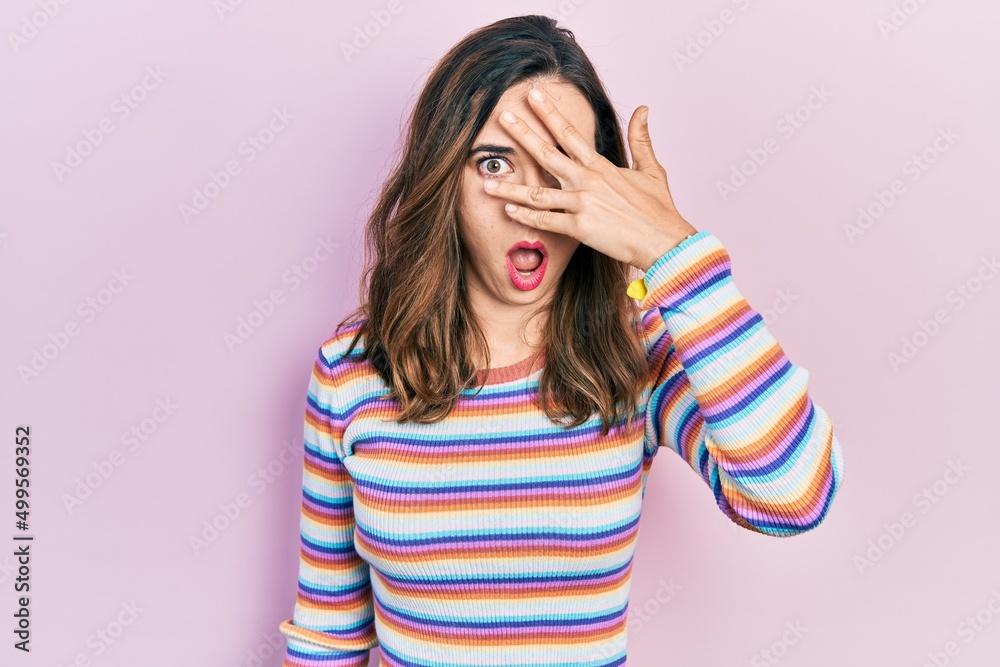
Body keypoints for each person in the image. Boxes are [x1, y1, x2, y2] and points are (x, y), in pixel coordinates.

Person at [277, 14, 844, 667]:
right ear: (444, 180)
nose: (529, 203)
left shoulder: (639, 352)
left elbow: (796, 495)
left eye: (563, 166)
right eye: (495, 162)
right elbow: (330, 634)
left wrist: (672, 251)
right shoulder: (353, 372)